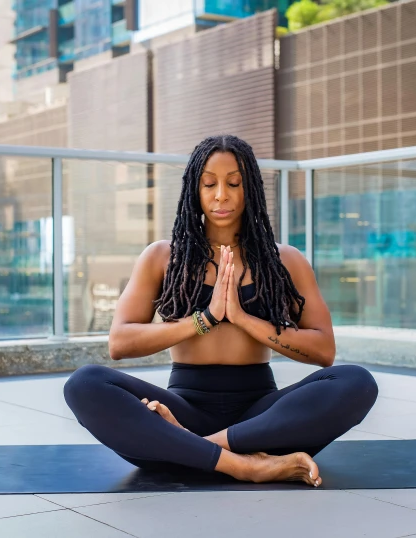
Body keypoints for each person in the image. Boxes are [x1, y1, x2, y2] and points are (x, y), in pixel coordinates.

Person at [64, 135, 378, 487]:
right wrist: (205, 319)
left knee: (357, 383)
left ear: (251, 189)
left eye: (233, 183)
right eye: (209, 183)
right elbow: (119, 343)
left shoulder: (285, 260)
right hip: (184, 407)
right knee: (85, 384)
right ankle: (247, 466)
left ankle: (197, 450)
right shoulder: (162, 257)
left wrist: (244, 319)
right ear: (194, 190)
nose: (221, 195)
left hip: (262, 419)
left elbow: (324, 351)